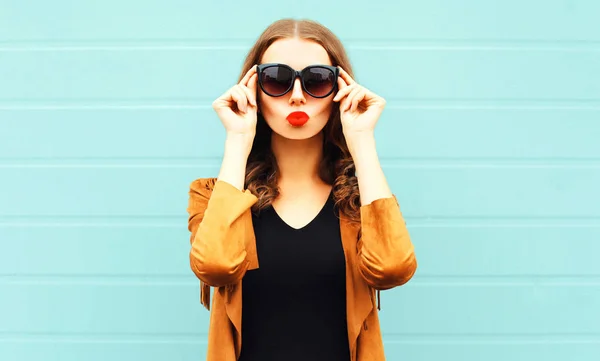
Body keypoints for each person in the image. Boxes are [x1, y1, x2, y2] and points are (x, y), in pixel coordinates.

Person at [187, 18, 417, 361]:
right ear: (253, 90)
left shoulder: (361, 199)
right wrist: (238, 138)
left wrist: (362, 139)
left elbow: (393, 268)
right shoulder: (216, 196)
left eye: (317, 81)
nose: (297, 97)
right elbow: (216, 267)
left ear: (341, 89)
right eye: (276, 80)